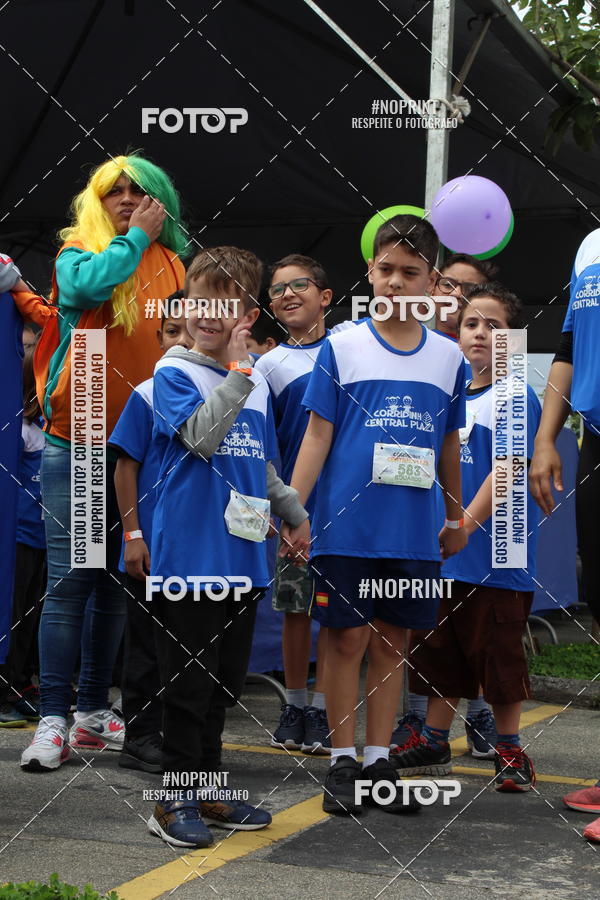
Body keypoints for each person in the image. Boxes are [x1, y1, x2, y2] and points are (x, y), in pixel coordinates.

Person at [282, 215, 467, 815]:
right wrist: (294, 509)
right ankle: (341, 760)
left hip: (412, 531)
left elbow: (446, 447)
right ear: (369, 272)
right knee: (345, 639)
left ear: (433, 281)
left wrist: (456, 516)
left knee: (393, 644)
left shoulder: (448, 357)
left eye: (410, 273)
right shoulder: (341, 345)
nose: (395, 283)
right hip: (346, 524)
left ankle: (377, 759)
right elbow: (316, 434)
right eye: (385, 270)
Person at [21, 155, 186, 771]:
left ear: (159, 196)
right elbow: (88, 290)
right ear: (96, 200)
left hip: (142, 447)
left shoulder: (174, 264)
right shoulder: (76, 251)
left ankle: (92, 711)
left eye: (136, 190)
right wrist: (137, 235)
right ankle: (53, 719)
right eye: (112, 191)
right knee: (72, 582)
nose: (123, 198)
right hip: (82, 437)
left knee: (119, 584)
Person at [146, 246, 309, 847]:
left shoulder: (255, 380)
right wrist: (241, 373)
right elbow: (201, 439)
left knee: (222, 683)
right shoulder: (173, 373)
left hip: (243, 555)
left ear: (248, 312)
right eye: (202, 300)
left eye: (230, 303)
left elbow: (258, 463)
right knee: (187, 685)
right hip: (189, 558)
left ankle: (209, 789)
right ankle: (172, 800)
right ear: (186, 304)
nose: (212, 315)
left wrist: (294, 511)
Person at [393, 284, 541, 792]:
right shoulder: (450, 396)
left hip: (496, 555)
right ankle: (434, 738)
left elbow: (508, 470)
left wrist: (464, 526)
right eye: (472, 324)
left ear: (512, 340)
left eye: (495, 327)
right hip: (443, 556)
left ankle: (509, 749)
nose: (481, 334)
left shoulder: (517, 394)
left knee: (498, 656)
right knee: (440, 653)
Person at [392, 252, 500, 758]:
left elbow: (507, 467)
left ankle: (484, 721)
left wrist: (462, 521)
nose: (454, 299)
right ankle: (421, 725)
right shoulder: (418, 352)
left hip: (475, 534)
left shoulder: (505, 383)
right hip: (420, 518)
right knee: (426, 630)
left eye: (468, 291)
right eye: (448, 286)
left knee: (478, 628)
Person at [255, 254, 336, 756]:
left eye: (298, 285)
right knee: (296, 608)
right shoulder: (267, 364)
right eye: (277, 290)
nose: (287, 294)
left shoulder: (349, 351)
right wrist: (283, 508)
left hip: (346, 508)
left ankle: (325, 709)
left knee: (336, 614)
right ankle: (296, 704)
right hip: (295, 510)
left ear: (325, 296)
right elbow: (262, 441)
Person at [110, 292, 193, 773]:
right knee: (145, 638)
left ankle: (184, 735)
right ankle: (140, 736)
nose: (180, 339)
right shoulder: (146, 391)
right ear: (158, 336)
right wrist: (133, 534)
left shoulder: (221, 388)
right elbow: (126, 466)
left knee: (187, 646)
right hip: (153, 545)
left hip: (199, 548)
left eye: (190, 329)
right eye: (171, 330)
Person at [530, 229, 600, 629]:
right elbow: (568, 349)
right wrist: (544, 439)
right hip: (597, 440)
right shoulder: (590, 245)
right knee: (597, 585)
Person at [0, 347, 46, 727]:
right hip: (20, 535)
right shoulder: (21, 428)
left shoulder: (53, 425)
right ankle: (9, 687)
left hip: (48, 538)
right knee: (14, 614)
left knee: (34, 614)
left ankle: (25, 682)